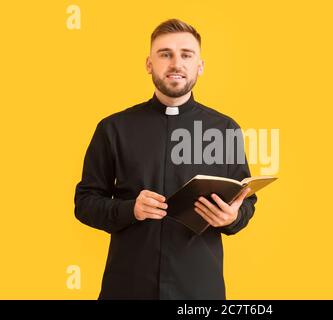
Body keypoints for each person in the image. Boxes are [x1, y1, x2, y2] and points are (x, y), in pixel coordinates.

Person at [74, 18, 257, 299]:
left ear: (200, 66)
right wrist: (130, 209)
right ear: (149, 64)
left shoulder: (225, 129)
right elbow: (85, 203)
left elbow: (246, 202)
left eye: (186, 55)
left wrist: (232, 217)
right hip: (126, 288)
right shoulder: (113, 128)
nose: (176, 63)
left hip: (198, 291)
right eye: (165, 54)